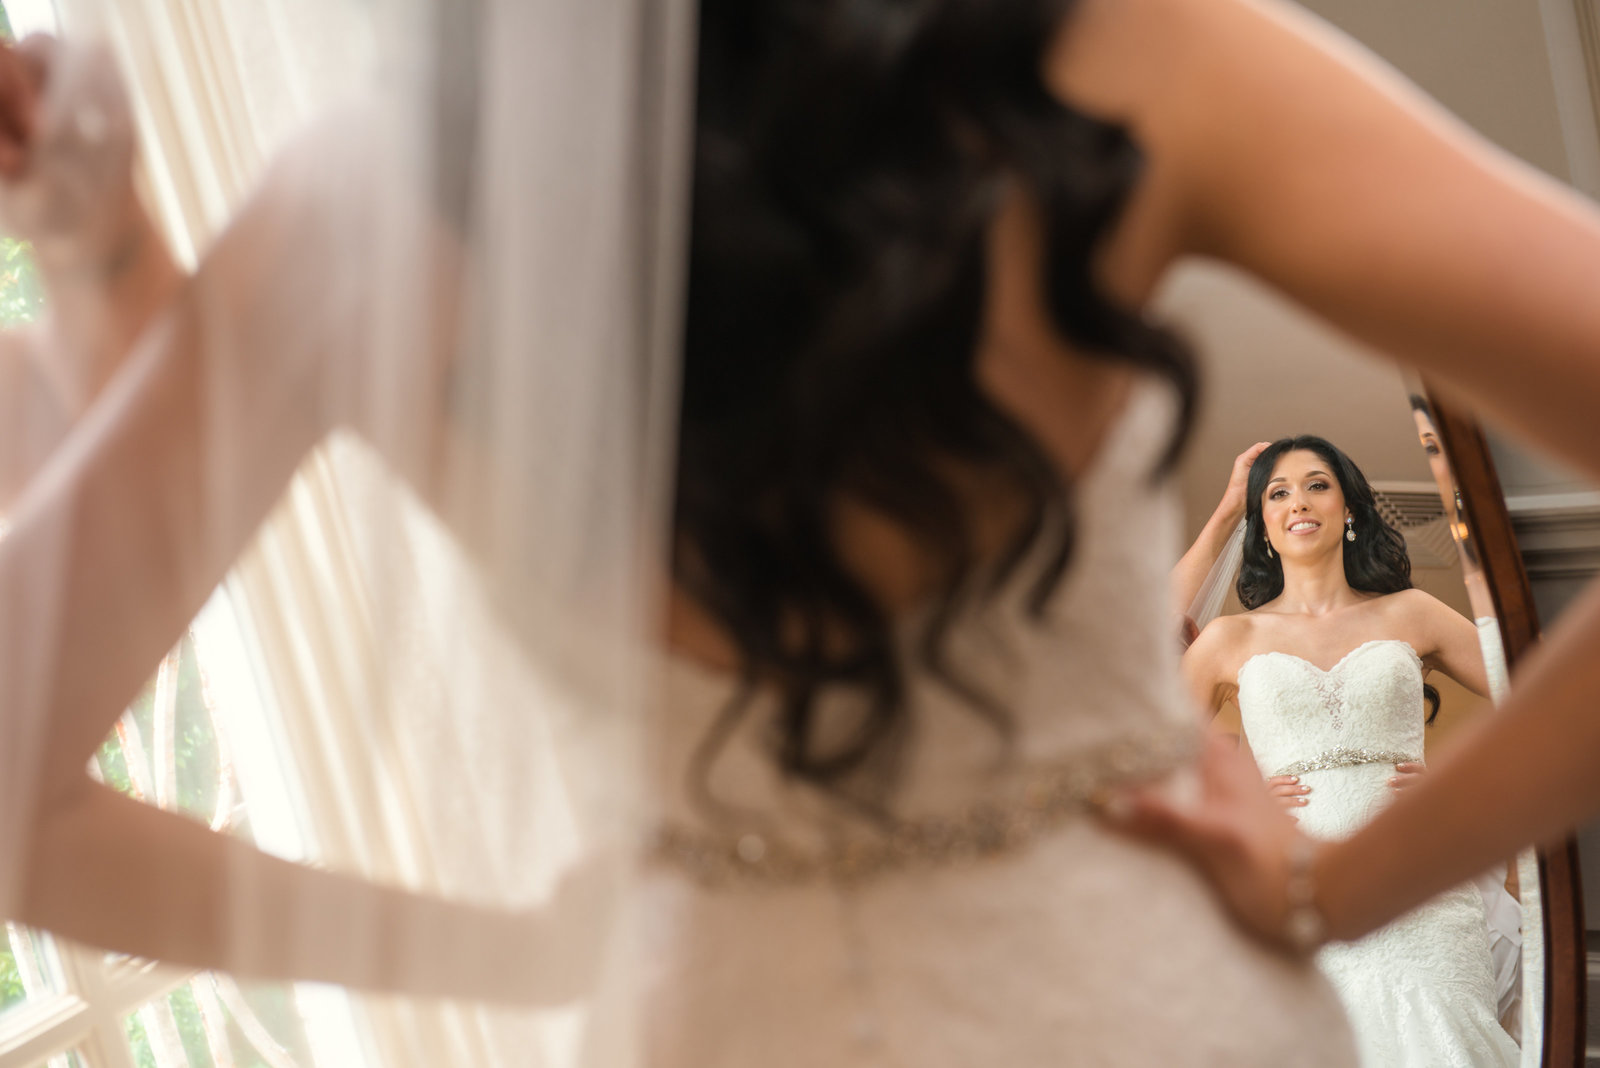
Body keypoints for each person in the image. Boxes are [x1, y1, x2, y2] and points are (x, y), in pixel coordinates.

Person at [6, 0, 1600, 1064]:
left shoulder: (360, 209)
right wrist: (1341, 888)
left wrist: (519, 955)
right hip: (1147, 1005)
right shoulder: (1126, 63)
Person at [1184, 435, 1517, 1066]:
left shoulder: (1411, 613)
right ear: (1263, 523)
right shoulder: (1232, 638)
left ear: (1351, 509)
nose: (1298, 502)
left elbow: (1534, 686)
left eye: (1317, 484)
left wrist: (1460, 786)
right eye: (1277, 493)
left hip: (1419, 886)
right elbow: (1134, 760)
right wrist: (1236, 808)